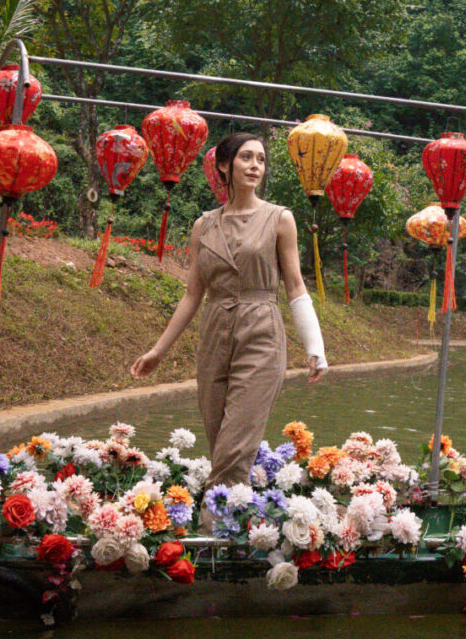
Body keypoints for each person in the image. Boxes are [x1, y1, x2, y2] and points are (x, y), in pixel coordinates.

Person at [129, 132, 327, 487]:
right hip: (215, 334)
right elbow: (193, 294)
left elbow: (296, 285)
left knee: (234, 450)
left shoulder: (279, 219)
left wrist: (316, 348)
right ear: (224, 165)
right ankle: (235, 523)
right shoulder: (204, 225)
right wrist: (159, 350)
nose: (255, 166)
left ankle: (215, 526)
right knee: (219, 439)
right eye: (246, 158)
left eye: (261, 160)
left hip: (261, 332)